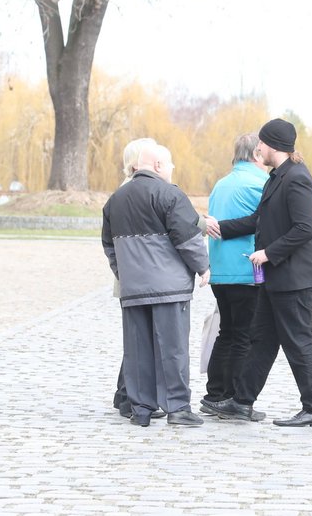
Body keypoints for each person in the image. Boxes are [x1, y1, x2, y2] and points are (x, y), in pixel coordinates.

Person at [204, 118, 312, 427]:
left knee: (299, 342)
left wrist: (268, 253)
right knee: (262, 340)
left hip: (296, 278)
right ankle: (242, 402)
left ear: (272, 146)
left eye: (261, 143)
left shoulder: (298, 178)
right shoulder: (276, 177)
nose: (257, 148)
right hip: (277, 279)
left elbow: (303, 228)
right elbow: (257, 220)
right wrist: (217, 227)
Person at [102, 143, 210, 427]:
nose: (172, 169)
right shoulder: (170, 194)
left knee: (137, 351)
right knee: (173, 349)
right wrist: (203, 267)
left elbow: (109, 245)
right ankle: (178, 408)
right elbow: (188, 238)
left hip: (133, 289)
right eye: (170, 163)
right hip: (169, 289)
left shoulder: (115, 200)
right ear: (159, 166)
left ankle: (141, 410)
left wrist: (124, 272)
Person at [199, 133, 270, 421]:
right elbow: (271, 217)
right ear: (256, 154)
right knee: (244, 336)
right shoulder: (259, 183)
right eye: (264, 152)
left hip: (221, 270)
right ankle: (235, 398)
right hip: (246, 269)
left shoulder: (221, 183)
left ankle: (215, 394)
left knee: (226, 333)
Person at [112, 137, 157, 419]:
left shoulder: (125, 190)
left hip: (130, 277)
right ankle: (130, 397)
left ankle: (124, 393)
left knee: (136, 340)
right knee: (139, 341)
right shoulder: (136, 191)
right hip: (137, 278)